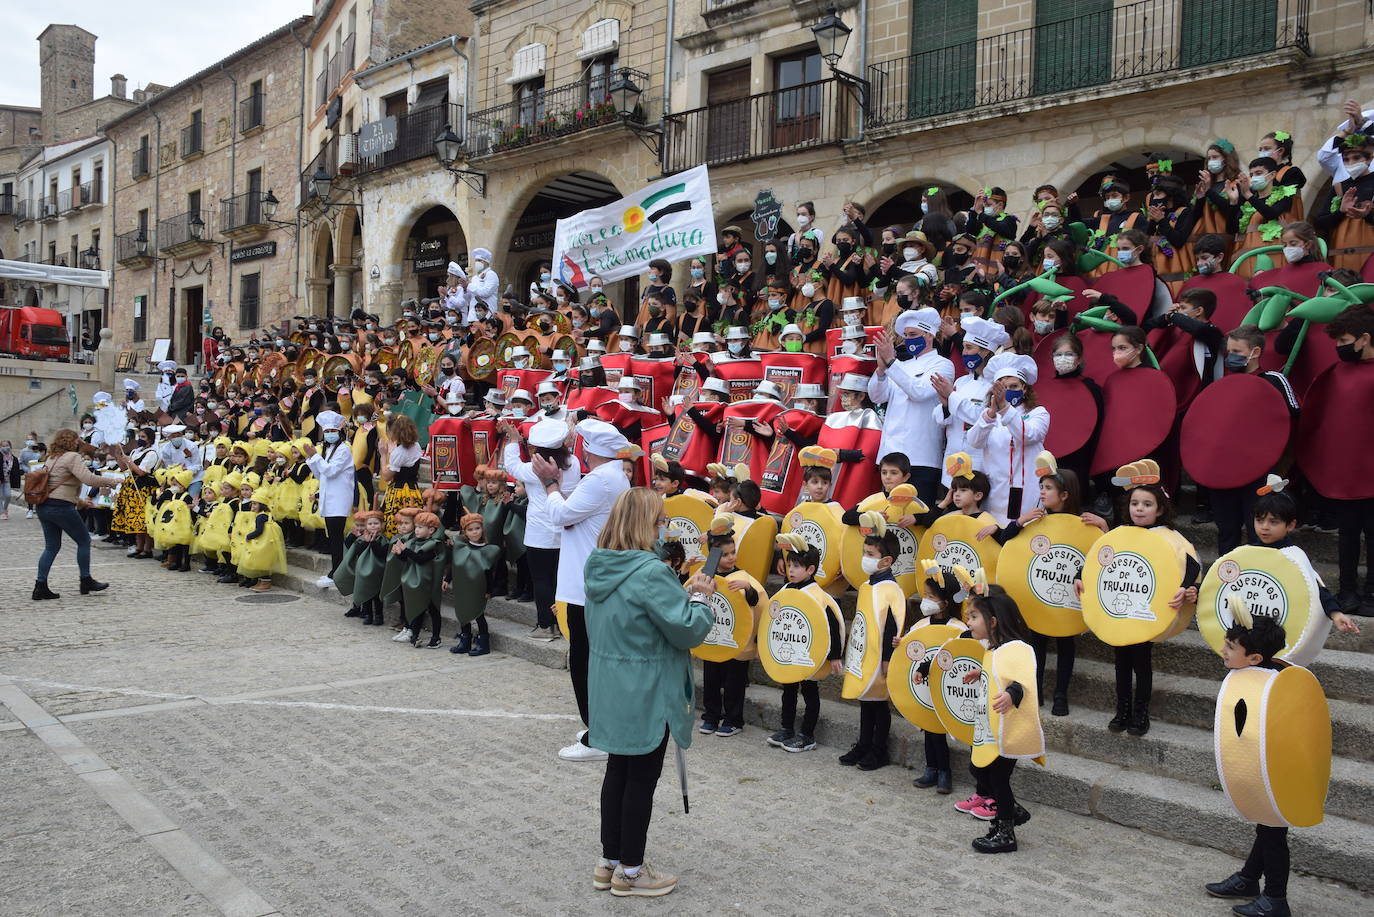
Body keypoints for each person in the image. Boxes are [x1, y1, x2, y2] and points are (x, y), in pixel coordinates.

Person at [585, 487, 714, 899]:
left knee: (618, 773)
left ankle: (610, 862)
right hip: (646, 689)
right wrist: (699, 599)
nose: (665, 527)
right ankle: (631, 871)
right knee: (641, 778)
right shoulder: (651, 571)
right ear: (645, 524)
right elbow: (687, 629)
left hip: (611, 685)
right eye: (661, 520)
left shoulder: (599, 563)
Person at [531, 418, 634, 762]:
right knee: (591, 660)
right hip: (591, 580)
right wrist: (558, 486)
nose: (582, 454)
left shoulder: (601, 480)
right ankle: (602, 727)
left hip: (584, 584)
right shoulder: (611, 476)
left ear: (591, 450)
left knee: (585, 662)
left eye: (584, 447)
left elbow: (559, 514)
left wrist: (549, 483)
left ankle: (598, 735)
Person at [1202, 610, 1299, 917]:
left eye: (1231, 647)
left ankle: (1276, 899)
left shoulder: (1276, 686)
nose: (1223, 651)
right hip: (1260, 768)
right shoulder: (1254, 675)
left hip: (1278, 770)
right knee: (1267, 827)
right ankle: (1248, 879)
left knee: (1273, 833)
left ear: (1255, 658)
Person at [502, 417, 581, 639]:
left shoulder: (532, 469)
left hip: (540, 532)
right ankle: (564, 624)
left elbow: (512, 465)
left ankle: (546, 626)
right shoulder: (572, 463)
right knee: (560, 579)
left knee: (542, 580)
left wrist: (513, 441)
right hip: (566, 528)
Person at [869, 308, 955, 505]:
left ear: (929, 335)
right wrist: (881, 370)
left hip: (921, 456)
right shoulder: (901, 366)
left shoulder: (943, 365)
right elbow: (876, 396)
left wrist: (891, 362)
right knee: (887, 515)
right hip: (891, 454)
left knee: (915, 516)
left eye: (913, 335)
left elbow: (919, 392)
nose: (908, 340)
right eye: (906, 336)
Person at [30, 430, 128, 600]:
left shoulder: (52, 457)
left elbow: (62, 486)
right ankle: (86, 580)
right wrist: (112, 481)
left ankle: (40, 586)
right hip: (60, 507)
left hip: (44, 506)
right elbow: (88, 479)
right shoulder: (72, 457)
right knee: (84, 541)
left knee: (51, 547)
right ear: (72, 441)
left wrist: (81, 503)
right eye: (78, 439)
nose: (80, 442)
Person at [302, 411, 356, 588]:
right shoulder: (329, 449)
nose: (329, 434)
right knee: (333, 536)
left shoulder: (344, 449)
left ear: (339, 432)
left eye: (333, 430)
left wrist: (315, 456)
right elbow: (320, 474)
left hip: (339, 498)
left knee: (336, 537)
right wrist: (311, 458)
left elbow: (331, 471)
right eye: (326, 431)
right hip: (329, 497)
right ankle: (336, 571)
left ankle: (337, 572)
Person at [380, 415, 424, 537]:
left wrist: (383, 455)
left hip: (399, 492)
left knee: (397, 522)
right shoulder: (416, 446)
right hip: (413, 489)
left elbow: (387, 476)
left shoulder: (399, 452)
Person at [1, 440, 21, 520]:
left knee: (8, 496)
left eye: (7, 445)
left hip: (7, 480)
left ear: (10, 446)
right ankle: (2, 512)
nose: (5, 447)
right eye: (3, 446)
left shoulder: (13, 458)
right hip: (0, 479)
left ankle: (5, 509)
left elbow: (15, 470)